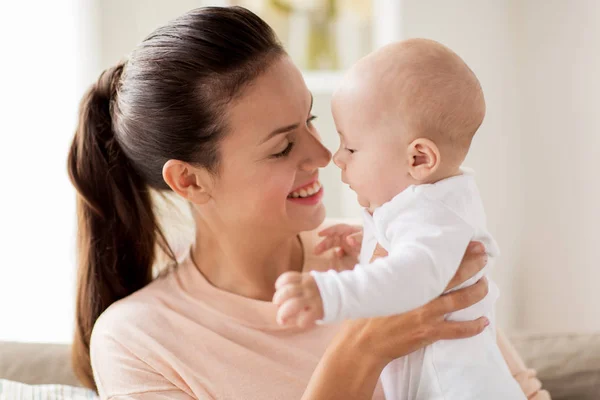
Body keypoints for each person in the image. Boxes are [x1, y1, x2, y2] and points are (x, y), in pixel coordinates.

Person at [66, 6, 548, 400]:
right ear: (189, 180)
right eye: (281, 147)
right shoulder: (138, 342)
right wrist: (361, 351)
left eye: (311, 120)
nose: (323, 155)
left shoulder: (384, 256)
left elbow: (520, 392)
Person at [273, 39, 524, 399]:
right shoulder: (434, 207)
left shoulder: (436, 216)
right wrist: (373, 237)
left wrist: (330, 294)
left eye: (351, 147)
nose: (336, 157)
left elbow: (411, 276)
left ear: (419, 159)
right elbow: (415, 251)